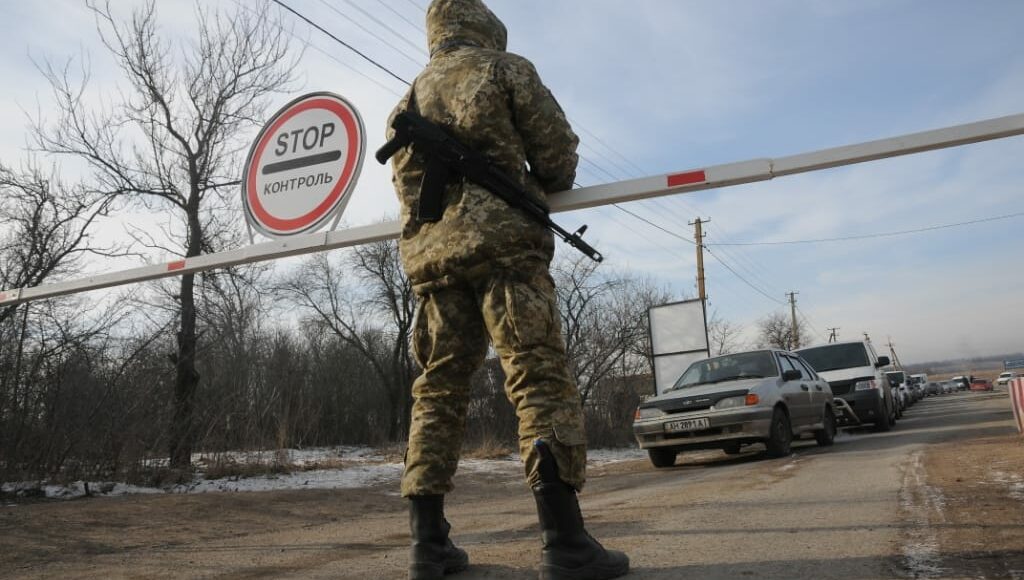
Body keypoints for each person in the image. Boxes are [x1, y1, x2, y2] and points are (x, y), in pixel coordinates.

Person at [383, 1, 629, 579]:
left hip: (434, 266)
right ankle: (565, 540)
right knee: (536, 377)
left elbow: (409, 190)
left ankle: (428, 545)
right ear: (484, 25)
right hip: (505, 255)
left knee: (437, 391)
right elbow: (556, 157)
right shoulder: (505, 69)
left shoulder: (405, 102)